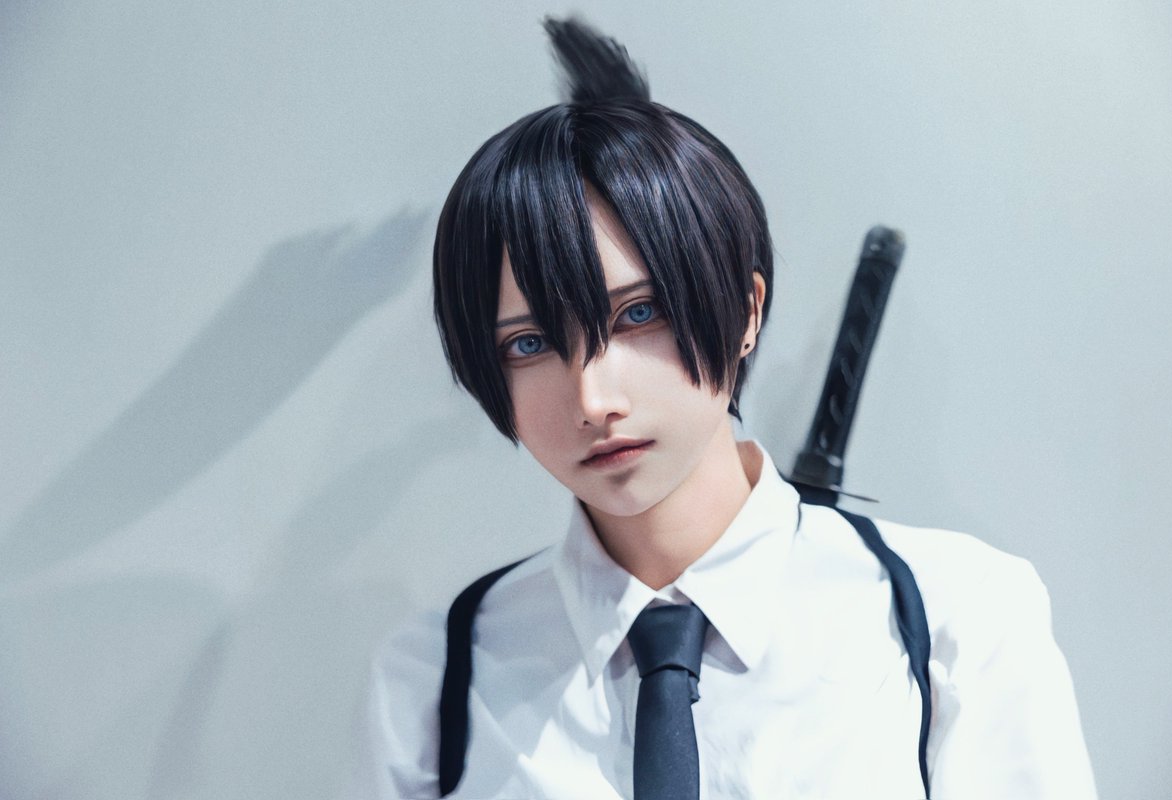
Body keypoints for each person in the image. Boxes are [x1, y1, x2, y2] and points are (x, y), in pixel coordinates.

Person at [348, 16, 1097, 799]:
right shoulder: (433, 680)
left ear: (745, 310)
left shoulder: (956, 617)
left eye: (637, 314)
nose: (593, 400)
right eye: (529, 344)